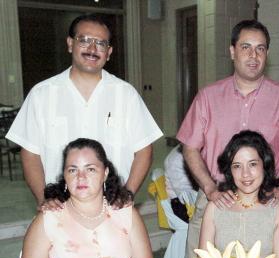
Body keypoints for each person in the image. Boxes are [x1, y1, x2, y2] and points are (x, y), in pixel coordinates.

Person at [177, 19, 279, 258]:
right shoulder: (208, 97)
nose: (253, 55)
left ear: (267, 54)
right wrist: (210, 189)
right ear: (232, 51)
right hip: (218, 197)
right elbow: (189, 147)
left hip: (266, 200)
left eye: (260, 49)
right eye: (246, 47)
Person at [6, 14, 162, 211]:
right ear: (70, 44)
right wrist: (42, 198)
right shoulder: (42, 94)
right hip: (60, 207)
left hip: (112, 208)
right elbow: (30, 153)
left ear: (109, 52)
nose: (92, 49)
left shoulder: (125, 94)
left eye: (100, 43)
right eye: (85, 40)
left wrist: (127, 193)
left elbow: (144, 150)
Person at [16, 138, 157, 258]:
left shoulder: (126, 214)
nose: (80, 177)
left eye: (90, 169)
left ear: (105, 173)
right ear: (65, 176)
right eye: (72, 170)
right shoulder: (48, 220)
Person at [198, 131, 279, 258]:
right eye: (237, 166)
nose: (245, 174)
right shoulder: (215, 208)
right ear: (230, 170)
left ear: (265, 165)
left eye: (253, 164)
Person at [164, 144, 198, 223]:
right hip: (182, 205)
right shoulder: (176, 159)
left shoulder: (190, 150)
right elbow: (184, 195)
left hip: (191, 197)